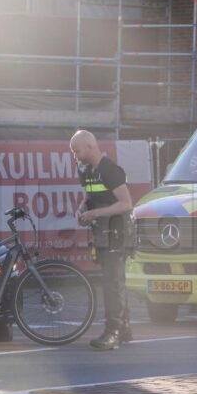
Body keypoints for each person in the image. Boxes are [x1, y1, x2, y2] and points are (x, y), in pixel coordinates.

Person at [71, 130, 134, 350]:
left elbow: (126, 204)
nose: (75, 155)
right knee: (114, 281)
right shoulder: (86, 169)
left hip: (117, 232)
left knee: (112, 283)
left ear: (90, 147)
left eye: (77, 150)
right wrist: (82, 209)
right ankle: (124, 328)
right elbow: (89, 196)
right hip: (102, 232)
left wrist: (95, 214)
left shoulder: (110, 170)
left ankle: (113, 332)